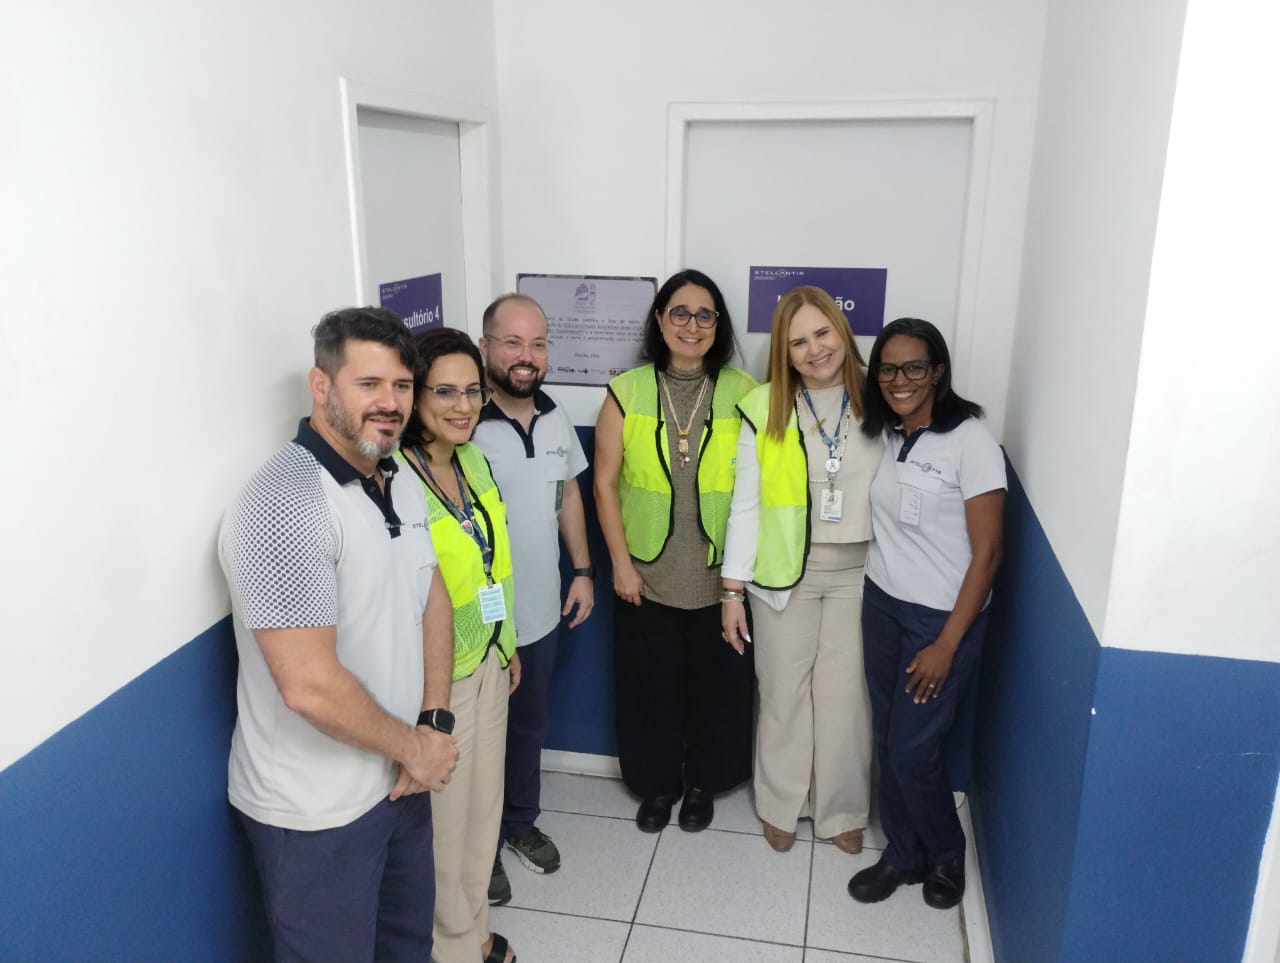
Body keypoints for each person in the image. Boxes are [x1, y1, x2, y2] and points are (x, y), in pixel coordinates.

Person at [219, 307, 459, 962]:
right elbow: (309, 686)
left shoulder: (397, 476)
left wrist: (433, 719)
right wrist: (414, 745)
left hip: (400, 780)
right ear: (321, 386)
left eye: (403, 386)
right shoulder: (282, 502)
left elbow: (431, 588)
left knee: (407, 947)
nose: (391, 402)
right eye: (369, 383)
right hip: (316, 811)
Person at [847, 317, 1005, 912]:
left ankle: (944, 850)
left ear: (938, 372)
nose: (899, 379)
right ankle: (903, 854)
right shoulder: (887, 434)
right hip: (882, 606)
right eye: (888, 368)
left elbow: (988, 555)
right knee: (891, 739)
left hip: (942, 620)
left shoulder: (972, 442)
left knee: (915, 749)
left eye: (915, 367)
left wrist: (947, 643)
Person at [594, 268, 757, 833]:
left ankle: (704, 785)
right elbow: (604, 483)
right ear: (660, 320)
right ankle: (657, 786)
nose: (692, 325)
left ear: (719, 325)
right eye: (680, 313)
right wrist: (619, 563)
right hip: (645, 572)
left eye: (705, 314)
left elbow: (758, 489)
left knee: (718, 691)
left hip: (720, 576)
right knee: (650, 689)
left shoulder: (745, 392)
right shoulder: (627, 389)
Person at [721, 286, 882, 855]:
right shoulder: (765, 407)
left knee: (844, 696)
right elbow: (745, 504)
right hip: (783, 573)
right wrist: (732, 589)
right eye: (798, 342)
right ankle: (781, 803)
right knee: (784, 691)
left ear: (842, 330)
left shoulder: (880, 395)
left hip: (861, 571)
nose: (815, 350)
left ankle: (841, 808)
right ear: (784, 354)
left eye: (823, 333)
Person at [398, 327, 519, 963]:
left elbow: (493, 563)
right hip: (436, 682)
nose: (462, 405)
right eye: (444, 391)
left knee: (481, 817)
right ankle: (448, 950)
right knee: (444, 830)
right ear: (414, 395)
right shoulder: (395, 477)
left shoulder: (472, 458)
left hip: (491, 662)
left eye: (472, 391)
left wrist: (510, 642)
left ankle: (474, 932)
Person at [472, 294, 594, 905]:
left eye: (538, 343)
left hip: (541, 613)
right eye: (513, 343)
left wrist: (583, 568)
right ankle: (479, 849)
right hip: (477, 626)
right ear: (484, 347)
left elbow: (567, 492)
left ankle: (518, 822)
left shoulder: (554, 414)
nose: (527, 357)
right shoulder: (461, 422)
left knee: (527, 728)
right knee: (479, 741)